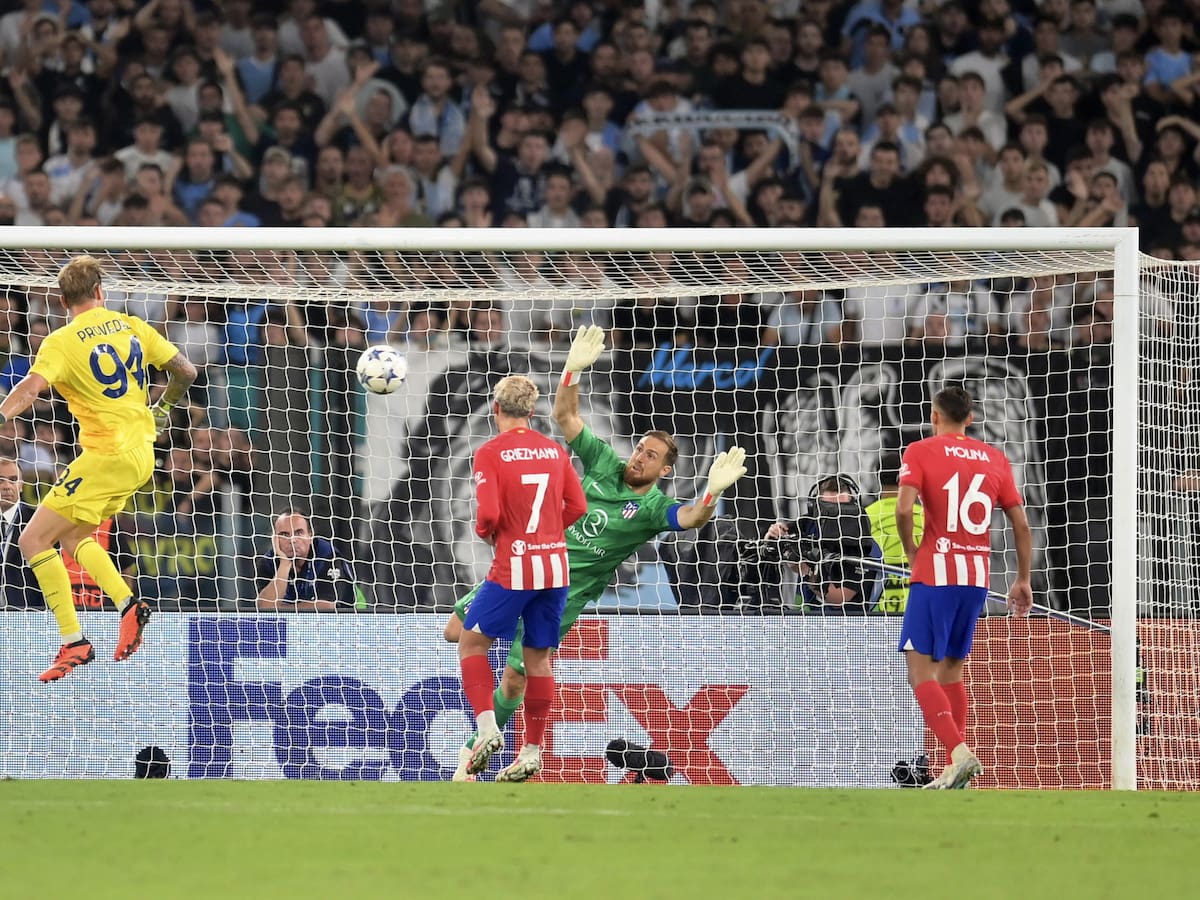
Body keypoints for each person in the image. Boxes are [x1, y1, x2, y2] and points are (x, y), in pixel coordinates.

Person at [445, 326, 748, 780]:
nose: (639, 457)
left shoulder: (652, 508)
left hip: (565, 589)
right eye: (640, 448)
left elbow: (690, 518)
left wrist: (711, 494)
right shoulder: (605, 461)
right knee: (454, 631)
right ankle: (497, 739)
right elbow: (566, 416)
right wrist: (572, 370)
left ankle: (477, 755)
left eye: (651, 456)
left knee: (516, 675)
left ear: (666, 470)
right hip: (526, 563)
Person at [0, 255, 197, 682]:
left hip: (105, 456)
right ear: (99, 292)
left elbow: (31, 389)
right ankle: (128, 605)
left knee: (32, 539)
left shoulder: (61, 341)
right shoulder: (132, 325)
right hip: (141, 457)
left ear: (61, 300)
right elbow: (186, 370)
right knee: (74, 537)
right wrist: (163, 407)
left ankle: (74, 640)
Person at [895, 386, 1033, 789]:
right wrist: (1023, 578)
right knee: (952, 670)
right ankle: (954, 769)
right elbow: (1021, 524)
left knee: (920, 671)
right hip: (976, 577)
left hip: (935, 572)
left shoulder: (920, 450)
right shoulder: (994, 458)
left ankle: (958, 752)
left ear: (934, 416)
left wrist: (912, 551)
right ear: (970, 418)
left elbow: (903, 508)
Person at [457, 374, 587, 784]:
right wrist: (548, 532)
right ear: (531, 412)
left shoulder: (490, 452)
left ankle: (487, 730)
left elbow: (489, 514)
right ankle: (531, 750)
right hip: (555, 567)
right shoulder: (554, 450)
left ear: (496, 409)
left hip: (514, 565)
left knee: (470, 643)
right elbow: (578, 506)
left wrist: (487, 532)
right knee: (538, 658)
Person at [760, 475, 884, 614]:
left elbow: (839, 599)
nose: (836, 515)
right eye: (828, 509)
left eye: (843, 508)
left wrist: (805, 571)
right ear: (814, 508)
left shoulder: (867, 547)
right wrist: (772, 536)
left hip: (855, 622)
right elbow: (774, 543)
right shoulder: (808, 525)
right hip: (805, 620)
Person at [255, 510, 363, 612]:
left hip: (356, 615)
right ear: (274, 539)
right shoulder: (268, 563)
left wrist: (279, 609)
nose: (292, 540)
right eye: (284, 534)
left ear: (310, 536)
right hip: (296, 621)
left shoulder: (328, 556)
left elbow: (328, 607)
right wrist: (284, 565)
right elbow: (265, 608)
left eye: (299, 533)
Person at [865, 451, 924, 613]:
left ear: (878, 478)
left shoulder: (864, 516)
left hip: (876, 609)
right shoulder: (924, 516)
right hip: (915, 607)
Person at [62, 517, 137, 610]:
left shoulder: (109, 526)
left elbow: (125, 568)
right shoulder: (60, 525)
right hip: (66, 602)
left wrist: (125, 604)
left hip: (104, 606)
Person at [0, 455, 38, 608]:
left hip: (27, 615)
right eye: (0, 480)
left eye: (13, 480)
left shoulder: (37, 522)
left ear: (21, 486)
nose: (6, 486)